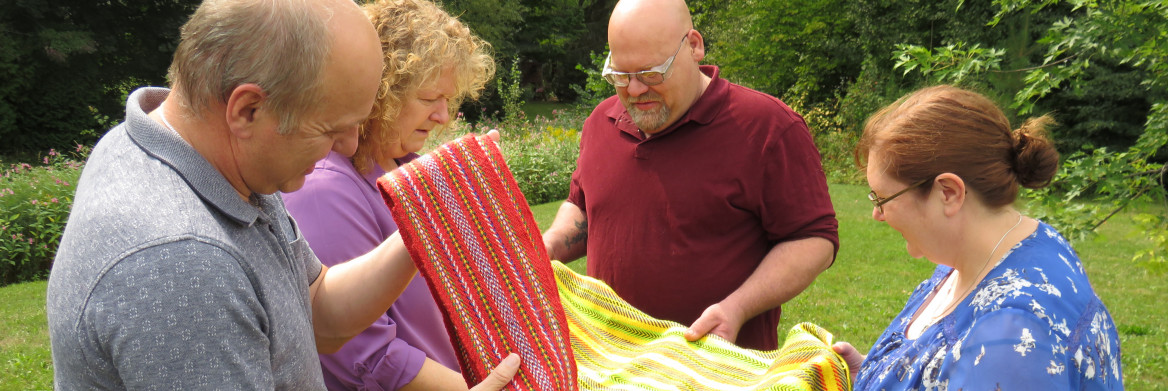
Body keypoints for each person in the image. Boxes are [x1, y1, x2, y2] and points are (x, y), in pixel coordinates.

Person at [45, 0, 517, 389]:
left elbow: (318, 313)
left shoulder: (218, 165)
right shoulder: (184, 265)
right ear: (247, 109)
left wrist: (427, 213)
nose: (350, 148)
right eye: (331, 129)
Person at [541, 0, 839, 351]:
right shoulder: (601, 121)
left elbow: (814, 239)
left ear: (694, 45)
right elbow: (586, 207)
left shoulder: (768, 128)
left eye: (652, 73)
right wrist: (549, 247)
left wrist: (737, 307)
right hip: (613, 364)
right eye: (621, 76)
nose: (634, 90)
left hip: (718, 370)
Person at [832, 85, 1124, 389]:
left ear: (949, 193)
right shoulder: (990, 256)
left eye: (882, 199)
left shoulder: (1011, 337)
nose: (877, 215)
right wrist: (877, 374)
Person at [281, 0, 494, 389]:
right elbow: (368, 356)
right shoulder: (323, 187)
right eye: (430, 99)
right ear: (379, 94)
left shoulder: (404, 165)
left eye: (449, 99)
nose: (444, 116)